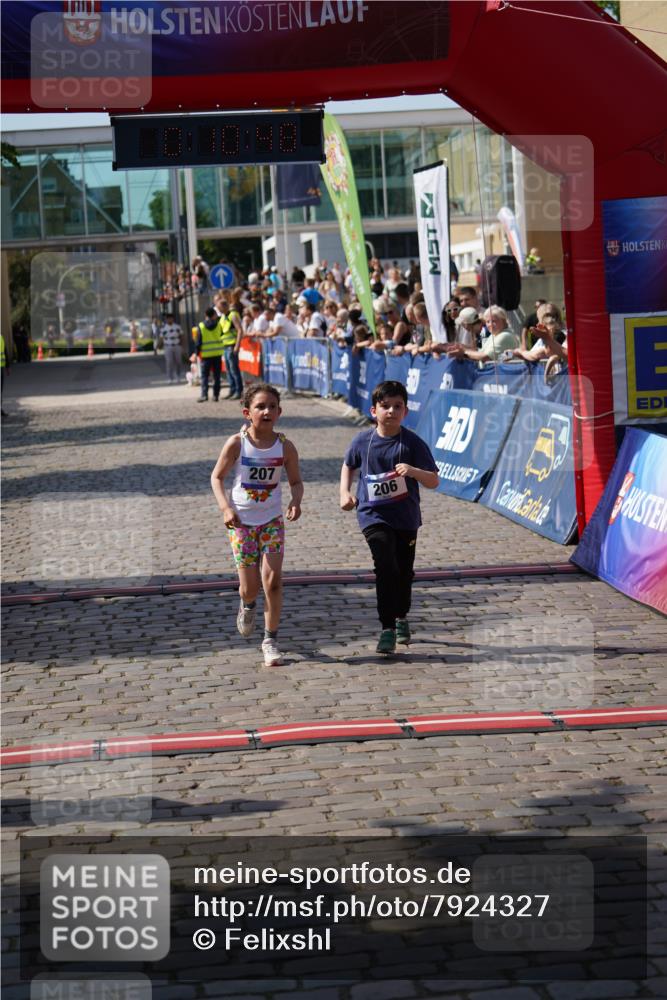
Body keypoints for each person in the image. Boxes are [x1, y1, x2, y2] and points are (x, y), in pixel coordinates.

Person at [340, 380, 439, 655]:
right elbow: (348, 465)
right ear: (374, 410)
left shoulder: (413, 443)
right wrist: (344, 492)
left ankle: (401, 616)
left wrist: (413, 471)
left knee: (403, 571)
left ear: (405, 411)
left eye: (398, 406)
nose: (391, 411)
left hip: (405, 518)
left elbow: (433, 481)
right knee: (385, 566)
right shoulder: (362, 441)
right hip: (373, 515)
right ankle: (387, 628)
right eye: (385, 406)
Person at [211, 384, 303, 667]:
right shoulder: (237, 443)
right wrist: (226, 508)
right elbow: (217, 477)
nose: (266, 411)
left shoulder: (285, 446)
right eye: (260, 407)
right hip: (242, 523)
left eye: (272, 407)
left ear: (279, 412)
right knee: (249, 588)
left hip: (272, 521)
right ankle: (248, 604)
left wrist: (295, 501)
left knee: (273, 582)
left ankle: (270, 641)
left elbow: (296, 481)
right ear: (247, 413)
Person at [446, 305, 519, 362]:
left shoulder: (504, 335)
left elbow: (485, 357)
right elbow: (481, 353)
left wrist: (464, 351)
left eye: (494, 321)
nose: (490, 324)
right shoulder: (494, 334)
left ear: (503, 320)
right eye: (488, 322)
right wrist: (462, 349)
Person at [191, 306, 225, 402]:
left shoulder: (201, 326)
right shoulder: (219, 325)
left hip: (206, 356)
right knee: (217, 376)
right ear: (214, 315)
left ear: (205, 315)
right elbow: (222, 336)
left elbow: (198, 342)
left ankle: (204, 395)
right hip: (217, 354)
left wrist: (196, 353)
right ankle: (216, 395)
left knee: (204, 376)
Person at [160, 311, 183, 384]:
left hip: (176, 345)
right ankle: (170, 378)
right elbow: (161, 338)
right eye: (168, 318)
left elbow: (181, 335)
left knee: (178, 361)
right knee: (169, 362)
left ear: (173, 319)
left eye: (171, 318)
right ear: (166, 319)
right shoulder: (164, 328)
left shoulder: (177, 327)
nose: (170, 320)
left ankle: (178, 375)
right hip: (168, 346)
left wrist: (182, 345)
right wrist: (160, 345)